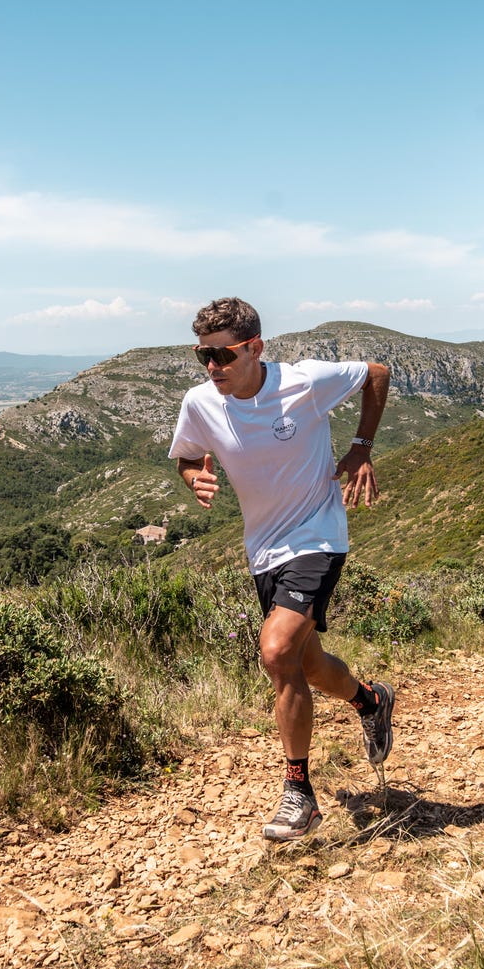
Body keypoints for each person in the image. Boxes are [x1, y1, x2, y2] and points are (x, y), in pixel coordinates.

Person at [168, 296, 394, 841]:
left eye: (222, 356)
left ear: (254, 347)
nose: (212, 368)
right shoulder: (200, 402)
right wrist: (192, 475)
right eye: (203, 356)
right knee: (305, 664)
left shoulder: (305, 381)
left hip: (318, 536)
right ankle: (370, 699)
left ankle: (299, 794)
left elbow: (377, 373)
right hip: (262, 551)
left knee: (274, 651)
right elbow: (188, 453)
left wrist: (362, 447)